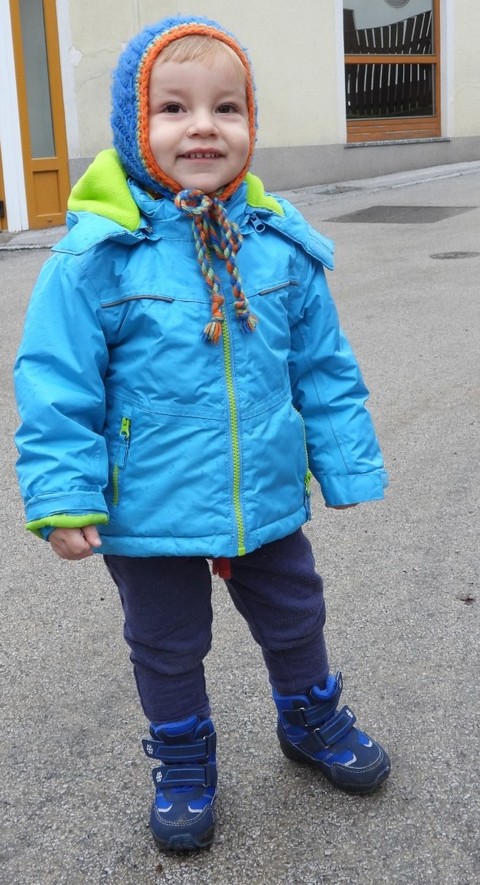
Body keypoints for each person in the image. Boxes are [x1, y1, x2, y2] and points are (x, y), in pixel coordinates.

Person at [14, 14, 390, 853]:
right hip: (149, 502)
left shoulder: (278, 245)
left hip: (263, 490)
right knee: (166, 639)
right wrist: (63, 494)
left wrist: (347, 464)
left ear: (251, 122)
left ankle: (308, 716)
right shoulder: (97, 257)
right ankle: (183, 754)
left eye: (227, 108)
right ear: (132, 124)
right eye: (174, 108)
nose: (203, 127)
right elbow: (56, 385)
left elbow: (323, 366)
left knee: (296, 610)